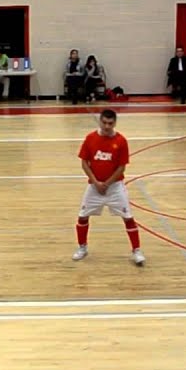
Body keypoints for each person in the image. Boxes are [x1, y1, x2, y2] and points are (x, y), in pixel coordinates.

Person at [73, 109, 145, 266]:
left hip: (115, 187)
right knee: (82, 216)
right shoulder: (90, 138)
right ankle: (82, 247)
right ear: (100, 121)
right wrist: (96, 182)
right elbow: (84, 163)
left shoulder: (121, 141)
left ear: (115, 123)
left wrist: (107, 183)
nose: (106, 126)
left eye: (110, 123)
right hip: (94, 187)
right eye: (104, 123)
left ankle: (136, 250)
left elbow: (121, 167)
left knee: (128, 218)